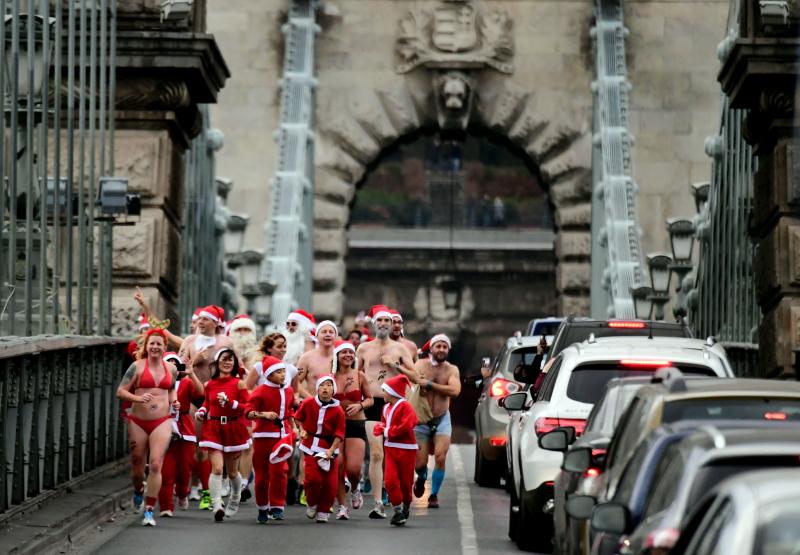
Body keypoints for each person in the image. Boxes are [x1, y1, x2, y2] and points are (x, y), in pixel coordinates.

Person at [356, 305, 418, 518]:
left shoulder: (400, 349)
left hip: (395, 407)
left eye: (387, 321)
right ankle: (378, 502)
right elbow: (355, 375)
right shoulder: (364, 349)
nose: (383, 324)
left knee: (394, 454)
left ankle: (399, 491)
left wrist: (396, 366)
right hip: (373, 404)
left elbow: (416, 376)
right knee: (376, 453)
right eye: (380, 321)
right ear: (374, 324)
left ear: (393, 325)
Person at [116, 328, 179, 527]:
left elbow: (171, 390)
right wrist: (137, 398)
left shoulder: (171, 368)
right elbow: (120, 391)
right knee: (137, 467)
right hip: (138, 421)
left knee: (155, 464)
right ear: (146, 345)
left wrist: (174, 402)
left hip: (162, 420)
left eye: (159, 343)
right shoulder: (136, 366)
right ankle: (138, 490)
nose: (155, 347)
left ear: (164, 347)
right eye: (151, 343)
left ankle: (150, 510)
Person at [178, 305, 234, 510]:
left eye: (205, 319)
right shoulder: (189, 341)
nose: (200, 322)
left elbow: (235, 370)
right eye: (199, 319)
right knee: (195, 445)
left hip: (215, 399)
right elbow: (178, 369)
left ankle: (209, 489)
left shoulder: (225, 342)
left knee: (212, 447)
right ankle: (194, 486)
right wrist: (196, 360)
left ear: (215, 323)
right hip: (194, 398)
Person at [195, 348, 251, 522]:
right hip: (214, 428)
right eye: (224, 359)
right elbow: (207, 403)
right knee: (218, 468)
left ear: (234, 364)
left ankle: (235, 498)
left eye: (231, 360)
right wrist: (202, 411)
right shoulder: (210, 384)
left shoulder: (239, 384)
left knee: (233, 473)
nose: (227, 362)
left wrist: (231, 403)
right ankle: (217, 505)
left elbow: (248, 407)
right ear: (217, 362)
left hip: (234, 428)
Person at [412, 334, 461, 508]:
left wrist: (431, 385)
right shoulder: (420, 365)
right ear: (431, 349)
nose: (441, 350)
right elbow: (412, 383)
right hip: (422, 419)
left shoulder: (451, 370)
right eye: (438, 346)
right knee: (420, 463)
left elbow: (455, 391)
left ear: (448, 350)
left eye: (444, 347)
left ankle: (433, 494)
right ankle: (422, 478)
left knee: (440, 456)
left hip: (442, 418)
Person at [245, 356, 295, 524]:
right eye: (278, 372)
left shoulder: (288, 391)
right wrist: (263, 414)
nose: (282, 375)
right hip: (263, 437)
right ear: (268, 374)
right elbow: (248, 412)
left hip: (282, 436)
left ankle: (277, 506)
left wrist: (295, 428)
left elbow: (289, 412)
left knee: (280, 470)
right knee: (262, 475)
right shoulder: (260, 390)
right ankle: (262, 507)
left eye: (283, 371)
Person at [294, 375, 345, 523]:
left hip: (329, 448)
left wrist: (331, 450)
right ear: (317, 388)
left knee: (330, 484)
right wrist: (301, 430)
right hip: (310, 446)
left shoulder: (338, 410)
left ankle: (323, 511)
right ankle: (312, 502)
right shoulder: (309, 403)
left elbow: (340, 433)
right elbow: (298, 417)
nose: (325, 388)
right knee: (313, 479)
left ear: (333, 389)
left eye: (329, 385)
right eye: (322, 385)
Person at [158, 352, 204, 516]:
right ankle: (166, 506)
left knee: (185, 469)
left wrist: (192, 374)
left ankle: (183, 492)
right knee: (166, 471)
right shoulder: (157, 384)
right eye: (167, 364)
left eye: (175, 364)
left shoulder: (185, 383)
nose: (171, 367)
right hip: (163, 428)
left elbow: (201, 394)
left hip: (185, 428)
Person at [332, 340, 373, 519]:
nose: (348, 355)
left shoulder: (359, 375)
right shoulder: (330, 377)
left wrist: (360, 406)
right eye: (344, 353)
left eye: (351, 352)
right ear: (337, 356)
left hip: (356, 424)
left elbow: (370, 399)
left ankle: (355, 488)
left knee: (354, 468)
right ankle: (342, 506)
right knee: (338, 466)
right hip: (335, 426)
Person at [374, 374, 418, 526]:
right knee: (390, 480)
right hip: (391, 448)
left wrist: (387, 431)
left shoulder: (405, 406)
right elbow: (384, 423)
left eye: (385, 391)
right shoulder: (386, 407)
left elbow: (410, 423)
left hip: (407, 449)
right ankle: (398, 510)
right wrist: (380, 428)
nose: (383, 394)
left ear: (392, 392)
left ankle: (406, 504)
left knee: (406, 482)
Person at [296, 320, 338, 399]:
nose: (328, 334)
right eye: (324, 332)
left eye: (331, 332)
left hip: (337, 407)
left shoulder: (342, 357)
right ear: (316, 336)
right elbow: (296, 382)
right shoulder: (306, 358)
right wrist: (311, 399)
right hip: (314, 407)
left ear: (335, 336)